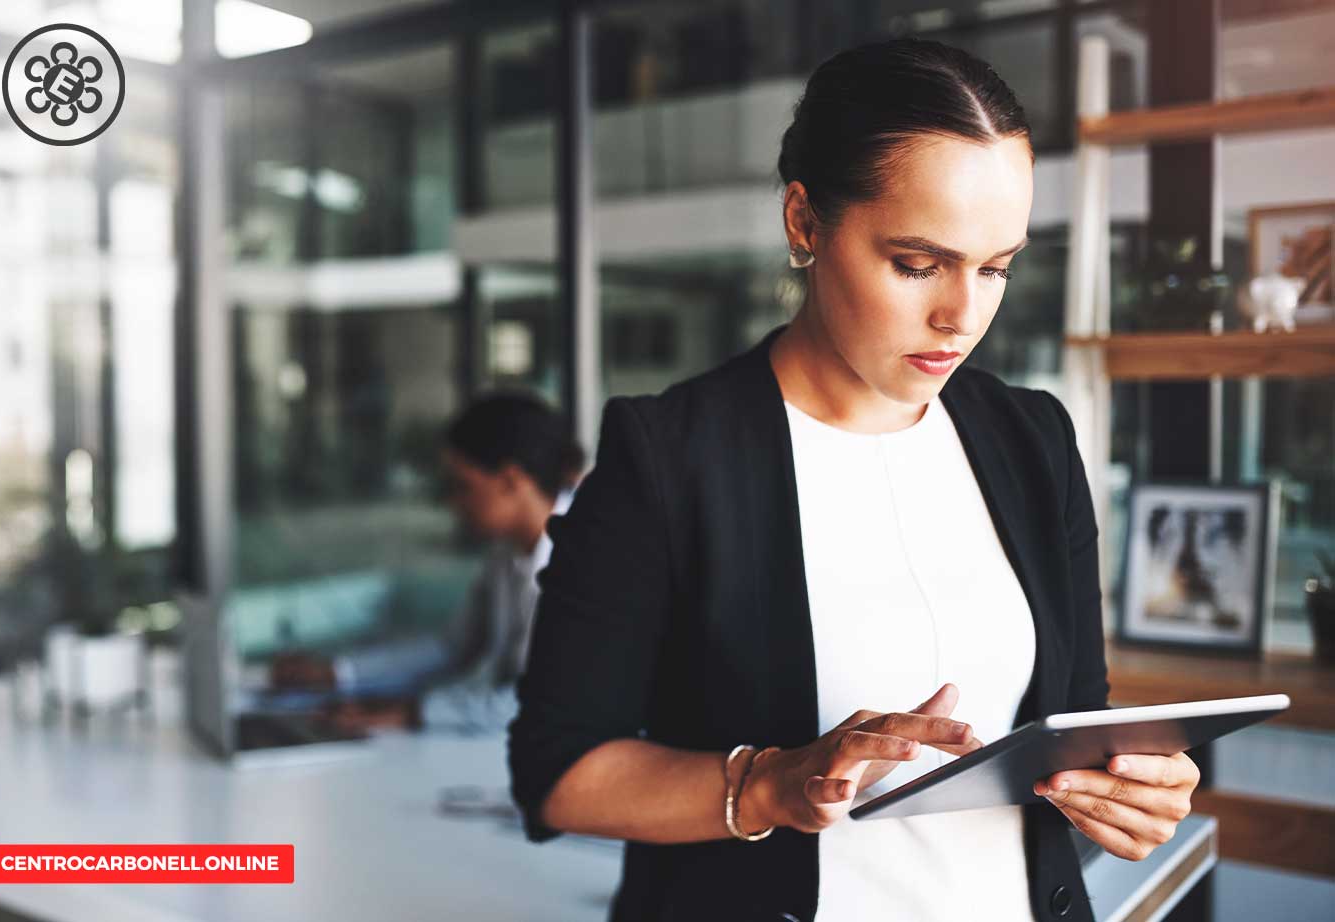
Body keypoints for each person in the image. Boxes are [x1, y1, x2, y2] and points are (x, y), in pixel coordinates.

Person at [508, 38, 1199, 922]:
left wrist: (1128, 791)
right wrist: (770, 784)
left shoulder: (1033, 439)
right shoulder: (668, 458)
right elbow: (559, 773)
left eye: (996, 268)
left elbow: (1072, 723)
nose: (962, 316)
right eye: (917, 264)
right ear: (804, 222)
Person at [270, 390, 583, 732]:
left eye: (462, 486)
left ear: (511, 480)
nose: (453, 503)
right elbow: (453, 647)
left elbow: (546, 703)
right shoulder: (506, 553)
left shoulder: (589, 560)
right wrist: (336, 673)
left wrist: (411, 714)